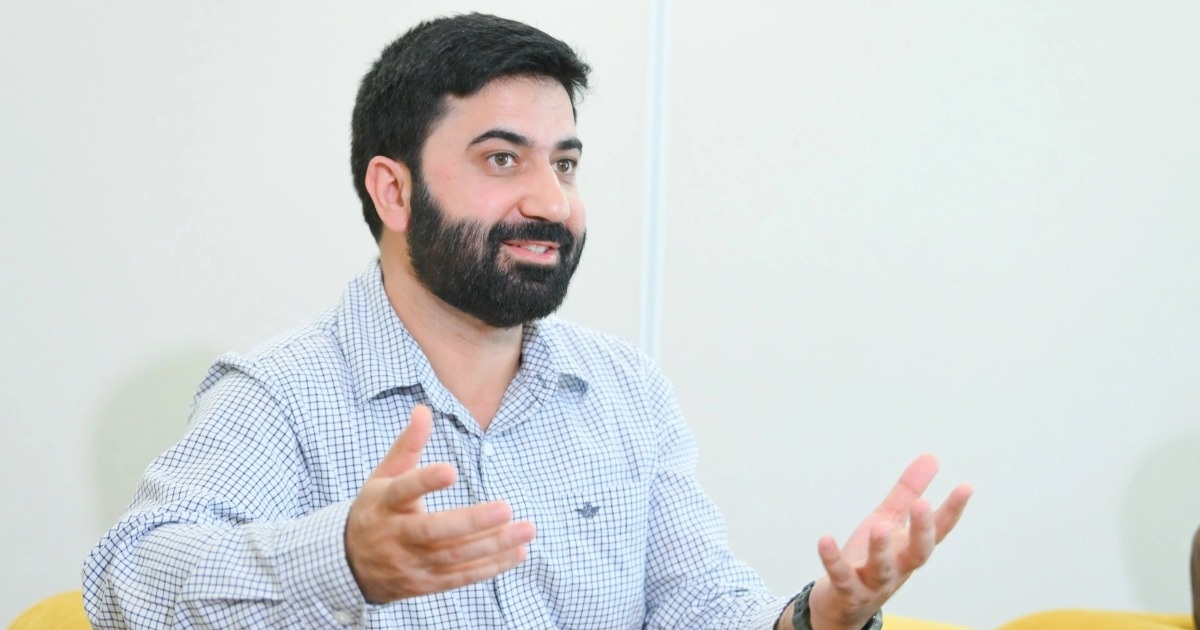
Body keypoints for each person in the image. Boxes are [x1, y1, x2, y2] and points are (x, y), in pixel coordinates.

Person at [83, 13, 972, 629]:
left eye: (566, 164)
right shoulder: (280, 394)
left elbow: (696, 603)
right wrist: (342, 561)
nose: (553, 202)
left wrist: (818, 618)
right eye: (503, 160)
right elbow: (127, 587)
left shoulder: (624, 391)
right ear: (394, 191)